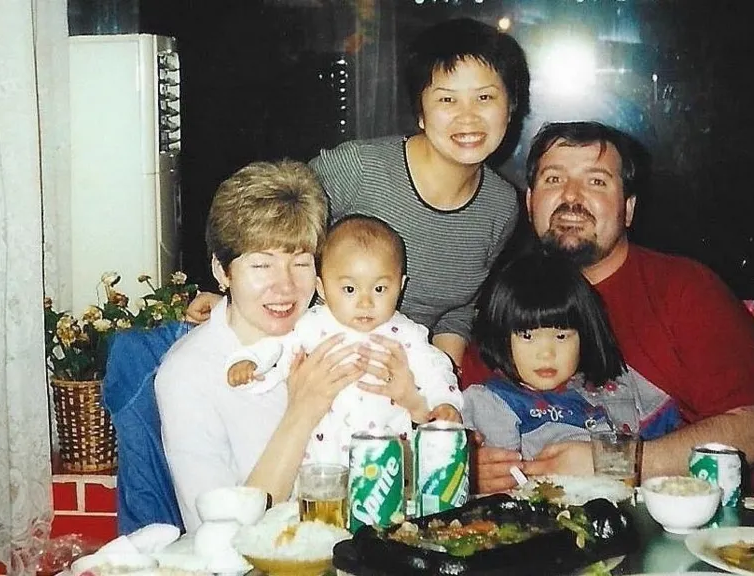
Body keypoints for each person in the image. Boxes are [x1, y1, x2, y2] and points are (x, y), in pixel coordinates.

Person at [186, 18, 530, 366]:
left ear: (510, 106)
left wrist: (435, 382)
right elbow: (263, 221)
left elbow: (458, 309)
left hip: (397, 382)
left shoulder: (500, 206)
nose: (467, 117)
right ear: (421, 113)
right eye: (447, 99)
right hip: (301, 359)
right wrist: (226, 296)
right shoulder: (360, 168)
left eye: (485, 97)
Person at [465, 121, 754, 493]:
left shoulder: (686, 287)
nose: (571, 196)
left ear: (628, 209)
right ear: (530, 201)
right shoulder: (507, 303)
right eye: (554, 179)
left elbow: (749, 434)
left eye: (596, 181)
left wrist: (612, 462)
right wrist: (475, 466)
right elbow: (464, 426)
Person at [155, 160, 428, 531]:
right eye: (261, 266)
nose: (284, 287)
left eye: (300, 263)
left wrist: (417, 404)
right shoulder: (187, 376)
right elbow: (219, 534)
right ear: (222, 271)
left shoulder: (336, 328)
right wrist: (303, 412)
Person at [225, 214, 463, 466]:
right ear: (322, 287)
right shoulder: (311, 326)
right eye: (350, 289)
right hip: (322, 463)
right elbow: (276, 348)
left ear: (401, 286)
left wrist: (444, 403)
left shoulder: (407, 335)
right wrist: (249, 362)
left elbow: (435, 369)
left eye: (379, 289)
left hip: (387, 464)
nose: (365, 302)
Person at [463, 248, 632, 461]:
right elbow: (504, 475)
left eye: (561, 337)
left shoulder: (602, 392)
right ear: (502, 338)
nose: (546, 354)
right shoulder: (493, 402)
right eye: (527, 336)